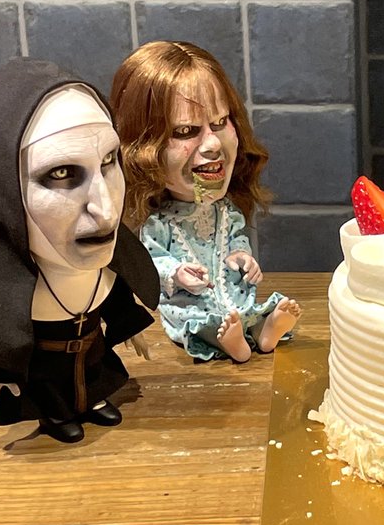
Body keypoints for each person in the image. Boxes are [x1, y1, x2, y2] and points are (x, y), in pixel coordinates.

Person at [0, 58, 160, 444]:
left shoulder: (103, 264)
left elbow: (115, 294)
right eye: (61, 173)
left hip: (92, 353)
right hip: (44, 366)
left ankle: (92, 400)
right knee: (51, 392)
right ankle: (58, 414)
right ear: (2, 189)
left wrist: (128, 326)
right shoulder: (10, 292)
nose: (106, 209)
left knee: (93, 380)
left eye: (109, 161)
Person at [111, 41, 300, 363]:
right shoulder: (158, 224)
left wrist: (242, 257)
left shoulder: (226, 212)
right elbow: (152, 262)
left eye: (220, 122)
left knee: (245, 313)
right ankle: (227, 341)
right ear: (142, 150)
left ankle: (261, 331)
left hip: (232, 297)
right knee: (205, 323)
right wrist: (176, 273)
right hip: (190, 306)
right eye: (185, 130)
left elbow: (237, 240)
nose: (212, 144)